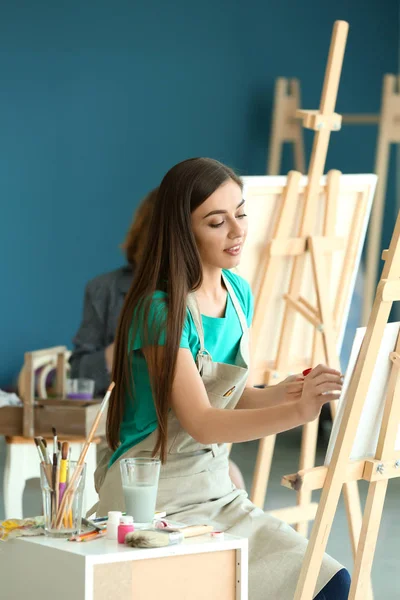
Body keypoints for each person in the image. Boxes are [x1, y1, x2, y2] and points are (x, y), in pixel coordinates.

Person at [93, 158, 350, 599]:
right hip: (152, 497)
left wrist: (289, 390)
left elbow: (230, 395)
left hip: (214, 490)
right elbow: (203, 420)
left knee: (326, 580)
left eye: (242, 214)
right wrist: (297, 411)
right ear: (183, 231)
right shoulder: (159, 311)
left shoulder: (237, 292)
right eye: (217, 221)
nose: (237, 230)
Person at [69, 187, 246, 489]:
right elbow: (80, 372)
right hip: (130, 426)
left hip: (190, 434)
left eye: (240, 215)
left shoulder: (222, 293)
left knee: (230, 478)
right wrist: (124, 349)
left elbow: (215, 394)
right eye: (216, 222)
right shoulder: (110, 290)